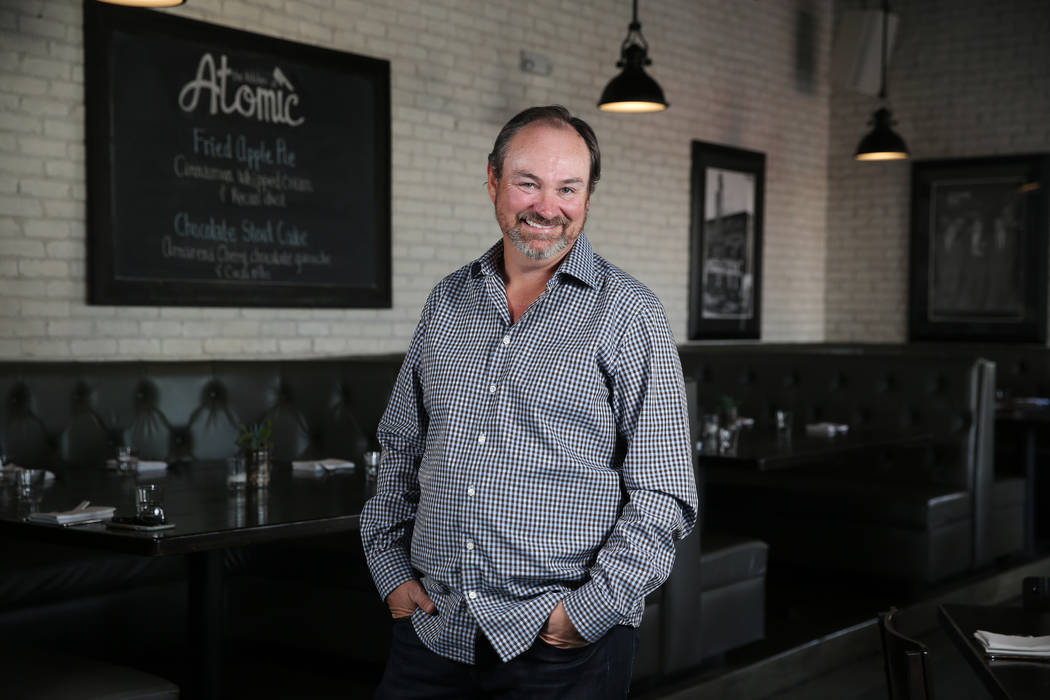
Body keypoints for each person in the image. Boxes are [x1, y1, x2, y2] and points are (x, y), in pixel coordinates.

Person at [360, 105, 697, 699]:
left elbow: (664, 491)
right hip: (434, 628)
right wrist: (390, 570)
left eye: (568, 187)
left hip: (560, 646)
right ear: (492, 181)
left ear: (588, 196)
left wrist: (586, 613)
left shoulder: (629, 315)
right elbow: (401, 445)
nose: (547, 207)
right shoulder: (448, 302)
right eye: (527, 182)